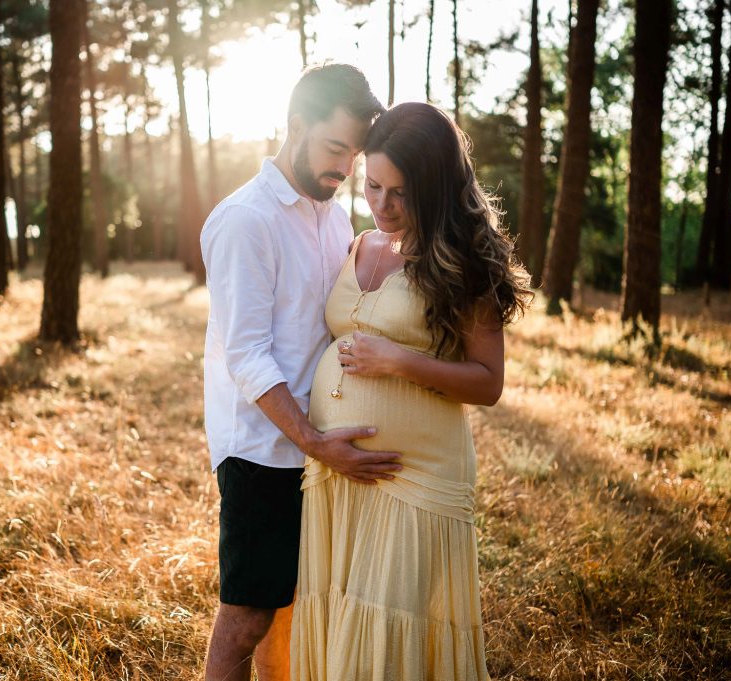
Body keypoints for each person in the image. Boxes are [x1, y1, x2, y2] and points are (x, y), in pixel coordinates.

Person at [291, 102, 533, 680]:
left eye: (401, 192)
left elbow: (488, 382)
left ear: (436, 187)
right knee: (341, 622)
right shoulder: (356, 245)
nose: (383, 204)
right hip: (338, 472)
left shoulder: (463, 258)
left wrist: (401, 360)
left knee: (386, 640)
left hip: (416, 474)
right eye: (373, 185)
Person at [199, 65, 399, 681]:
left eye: (354, 154)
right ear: (295, 126)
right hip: (261, 449)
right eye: (334, 148)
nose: (345, 168)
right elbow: (247, 355)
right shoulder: (246, 219)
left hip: (316, 448)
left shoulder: (333, 216)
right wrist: (314, 441)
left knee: (293, 613)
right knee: (249, 617)